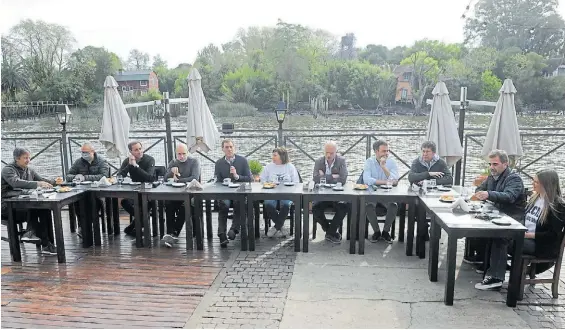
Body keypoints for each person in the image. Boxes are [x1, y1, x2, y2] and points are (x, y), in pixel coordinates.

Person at [475, 169, 565, 290]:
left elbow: (553, 235)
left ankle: (496, 278)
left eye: (536, 182)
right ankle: (491, 268)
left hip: (541, 245)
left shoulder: (558, 206)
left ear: (546, 184)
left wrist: (528, 235)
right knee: (497, 233)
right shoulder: (535, 198)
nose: (533, 184)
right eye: (533, 181)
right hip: (525, 236)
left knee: (502, 240)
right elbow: (525, 218)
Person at [465, 149, 527, 266]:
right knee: (472, 221)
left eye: (495, 164)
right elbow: (479, 189)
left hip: (512, 218)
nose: (491, 167)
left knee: (496, 235)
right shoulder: (492, 176)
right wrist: (483, 193)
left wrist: (489, 194)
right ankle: (481, 258)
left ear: (505, 164)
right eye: (490, 164)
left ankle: (492, 270)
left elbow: (510, 196)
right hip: (497, 214)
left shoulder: (514, 178)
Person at [1, 147, 57, 255]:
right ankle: (41, 240)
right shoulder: (8, 170)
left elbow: (41, 180)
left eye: (29, 158)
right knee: (35, 209)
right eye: (25, 158)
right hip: (7, 207)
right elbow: (16, 183)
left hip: (23, 205)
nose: (28, 160)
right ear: (17, 159)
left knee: (45, 209)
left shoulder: (29, 170)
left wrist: (55, 181)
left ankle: (35, 236)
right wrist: (37, 184)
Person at [214, 139, 252, 248]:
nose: (229, 149)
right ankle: (222, 235)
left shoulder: (242, 160)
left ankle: (234, 229)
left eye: (231, 147)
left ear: (234, 148)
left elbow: (249, 178)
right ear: (222, 149)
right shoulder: (219, 163)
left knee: (239, 203)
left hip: (239, 192)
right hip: (225, 192)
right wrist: (223, 182)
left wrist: (236, 176)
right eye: (226, 147)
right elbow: (217, 180)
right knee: (223, 205)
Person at [161, 143, 201, 248]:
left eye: (183, 153)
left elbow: (194, 177)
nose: (181, 156)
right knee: (168, 204)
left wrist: (179, 179)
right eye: (179, 154)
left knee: (186, 206)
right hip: (176, 193)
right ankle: (169, 233)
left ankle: (174, 233)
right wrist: (170, 173)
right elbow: (165, 179)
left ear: (187, 152)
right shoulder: (173, 162)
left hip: (191, 194)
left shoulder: (194, 162)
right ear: (176, 154)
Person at [66, 142, 109, 238]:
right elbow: (68, 176)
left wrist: (85, 177)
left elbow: (104, 176)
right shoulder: (78, 162)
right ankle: (82, 226)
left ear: (92, 152)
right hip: (81, 191)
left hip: (97, 192)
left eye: (86, 152)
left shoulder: (101, 161)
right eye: (82, 152)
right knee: (77, 202)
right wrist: (76, 176)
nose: (84, 154)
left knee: (93, 203)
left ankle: (90, 226)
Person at [362, 140, 399, 243]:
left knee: (394, 205)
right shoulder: (369, 162)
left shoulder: (391, 162)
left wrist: (384, 167)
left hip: (387, 194)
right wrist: (385, 182)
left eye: (388, 151)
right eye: (383, 151)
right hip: (372, 194)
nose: (386, 153)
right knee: (368, 206)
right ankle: (377, 232)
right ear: (376, 151)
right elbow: (367, 180)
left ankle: (386, 232)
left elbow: (395, 181)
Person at [312, 141, 349, 244]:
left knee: (344, 207)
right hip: (322, 195)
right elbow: (315, 178)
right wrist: (334, 176)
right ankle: (331, 232)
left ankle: (330, 232)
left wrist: (324, 176)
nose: (328, 155)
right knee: (315, 208)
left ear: (336, 152)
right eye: (327, 152)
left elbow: (343, 179)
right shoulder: (318, 161)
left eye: (331, 153)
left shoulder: (341, 161)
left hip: (337, 194)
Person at [116, 141, 156, 236]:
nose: (139, 151)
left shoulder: (150, 160)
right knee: (124, 202)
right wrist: (129, 165)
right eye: (136, 150)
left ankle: (133, 226)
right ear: (131, 152)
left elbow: (149, 178)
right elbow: (119, 176)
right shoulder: (127, 160)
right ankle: (140, 222)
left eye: (140, 148)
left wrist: (136, 166)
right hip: (134, 191)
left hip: (148, 192)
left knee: (147, 204)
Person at [260, 147, 300, 238]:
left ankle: (276, 227)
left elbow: (296, 182)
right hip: (271, 193)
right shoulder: (268, 166)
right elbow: (262, 180)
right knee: (268, 203)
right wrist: (268, 184)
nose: (272, 157)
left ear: (282, 156)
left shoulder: (290, 167)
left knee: (286, 204)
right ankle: (281, 226)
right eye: (272, 155)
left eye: (275, 155)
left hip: (286, 194)